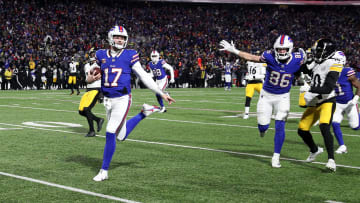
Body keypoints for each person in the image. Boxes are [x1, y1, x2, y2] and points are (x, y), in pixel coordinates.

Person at [87, 25, 175, 181]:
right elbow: (91, 74)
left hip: (122, 99)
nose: (120, 40)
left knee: (110, 131)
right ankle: (144, 113)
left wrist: (161, 92)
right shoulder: (101, 54)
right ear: (110, 37)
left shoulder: (130, 55)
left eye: (122, 38)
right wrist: (89, 79)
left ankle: (104, 171)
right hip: (107, 100)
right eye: (117, 37)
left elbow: (144, 76)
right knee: (120, 136)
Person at [220, 35, 305, 168]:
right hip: (266, 96)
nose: (281, 52)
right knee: (263, 126)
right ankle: (263, 129)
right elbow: (252, 57)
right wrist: (234, 50)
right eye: (279, 49)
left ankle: (276, 156)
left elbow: (308, 62)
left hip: (283, 97)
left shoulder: (298, 58)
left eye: (284, 49)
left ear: (290, 49)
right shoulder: (269, 56)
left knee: (280, 126)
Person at [297, 39, 342, 172]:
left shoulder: (333, 63)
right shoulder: (316, 62)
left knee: (324, 126)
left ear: (326, 51)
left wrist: (309, 90)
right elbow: (302, 70)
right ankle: (315, 150)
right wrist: (302, 63)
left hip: (328, 100)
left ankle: (331, 160)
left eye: (318, 50)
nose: (315, 52)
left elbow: (328, 88)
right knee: (302, 129)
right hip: (314, 102)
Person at [331, 51, 360, 154]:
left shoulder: (347, 72)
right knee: (334, 123)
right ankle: (342, 146)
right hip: (337, 104)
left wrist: (355, 99)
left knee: (355, 127)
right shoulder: (328, 72)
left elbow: (358, 86)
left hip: (349, 103)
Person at [78, 53, 105, 138]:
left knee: (86, 109)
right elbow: (87, 79)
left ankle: (92, 131)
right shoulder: (86, 65)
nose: (92, 56)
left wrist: (101, 93)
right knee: (81, 111)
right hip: (88, 89)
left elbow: (104, 78)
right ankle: (98, 120)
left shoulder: (99, 64)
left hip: (96, 89)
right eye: (91, 54)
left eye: (94, 54)